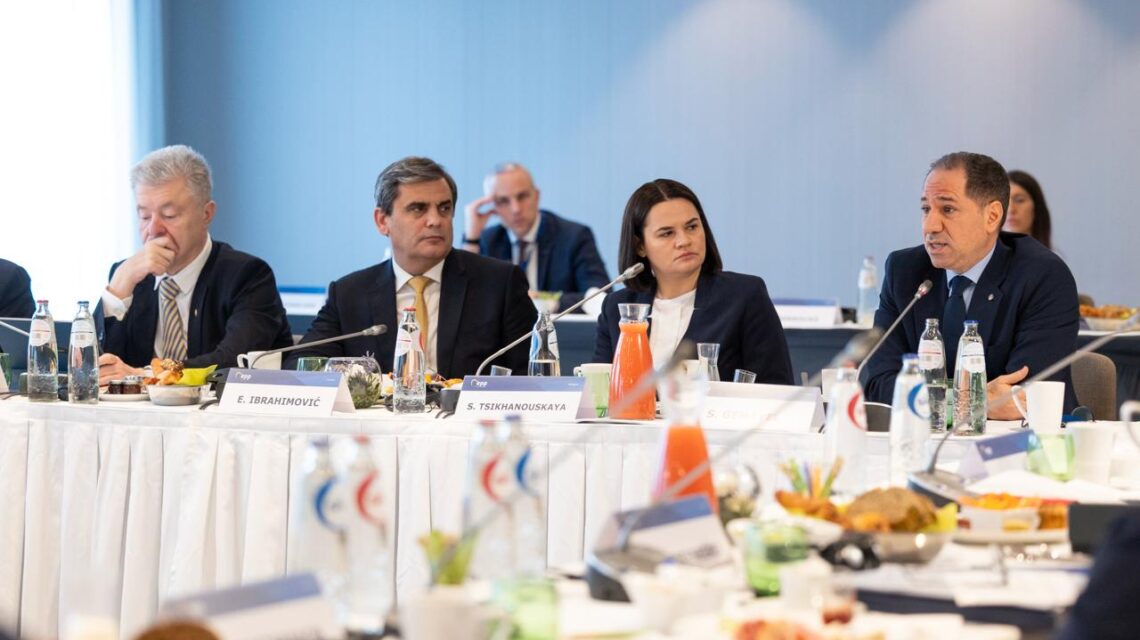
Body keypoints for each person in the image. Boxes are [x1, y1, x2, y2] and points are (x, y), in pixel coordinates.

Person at [861, 152, 1080, 417]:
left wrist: (934, 400)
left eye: (948, 209)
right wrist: (973, 401)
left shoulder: (1042, 276)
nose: (930, 226)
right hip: (925, 437)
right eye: (926, 209)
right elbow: (878, 383)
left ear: (992, 216)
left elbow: (1022, 397)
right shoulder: (905, 271)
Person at [286, 157, 537, 377]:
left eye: (444, 208)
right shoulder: (349, 293)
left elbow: (532, 374)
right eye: (418, 209)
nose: (435, 220)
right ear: (382, 221)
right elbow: (301, 364)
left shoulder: (499, 283)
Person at [96, 145, 293, 383]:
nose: (153, 229)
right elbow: (92, 367)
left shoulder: (247, 276)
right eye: (145, 216)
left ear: (206, 214)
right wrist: (118, 289)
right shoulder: (130, 276)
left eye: (169, 215)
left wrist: (146, 376)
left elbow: (235, 361)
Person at [593, 178, 794, 384]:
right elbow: (598, 391)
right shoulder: (618, 308)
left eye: (691, 227)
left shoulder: (744, 296)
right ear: (640, 246)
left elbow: (777, 387)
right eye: (667, 233)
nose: (684, 241)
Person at [461, 163, 610, 312]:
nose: (516, 209)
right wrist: (471, 239)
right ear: (493, 206)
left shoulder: (573, 236)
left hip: (557, 326)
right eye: (503, 201)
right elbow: (463, 301)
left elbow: (600, 295)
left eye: (522, 196)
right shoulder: (487, 240)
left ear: (537, 196)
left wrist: (546, 301)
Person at [1004, 169, 1053, 250]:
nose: (1010, 210)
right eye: (1004, 201)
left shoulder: (1049, 258)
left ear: (1036, 208)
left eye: (1019, 200)